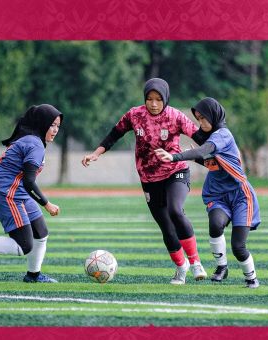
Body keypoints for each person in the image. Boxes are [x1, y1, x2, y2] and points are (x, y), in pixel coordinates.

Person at [81, 78, 208, 285]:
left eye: (158, 99)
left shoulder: (175, 116)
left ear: (165, 99)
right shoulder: (135, 114)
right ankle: (180, 267)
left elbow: (201, 139)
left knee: (175, 211)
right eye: (150, 99)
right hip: (149, 179)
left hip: (176, 171)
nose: (154, 103)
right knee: (166, 226)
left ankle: (195, 263)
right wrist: (96, 153)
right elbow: (115, 134)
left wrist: (219, 153)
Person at [154, 97, 261, 288]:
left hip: (240, 196)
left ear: (214, 116)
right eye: (198, 119)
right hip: (218, 195)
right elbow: (213, 163)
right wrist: (193, 157)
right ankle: (221, 267)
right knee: (215, 224)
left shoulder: (222, 135)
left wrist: (175, 156)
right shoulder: (212, 136)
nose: (201, 123)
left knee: (238, 247)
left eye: (204, 119)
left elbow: (205, 150)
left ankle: (251, 278)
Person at [0, 104, 63, 283]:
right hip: (7, 195)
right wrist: (47, 204)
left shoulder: (32, 140)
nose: (55, 130)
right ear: (42, 124)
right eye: (52, 124)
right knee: (24, 245)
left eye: (58, 126)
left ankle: (33, 275)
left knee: (41, 231)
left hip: (17, 192)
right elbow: (29, 181)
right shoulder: (35, 144)